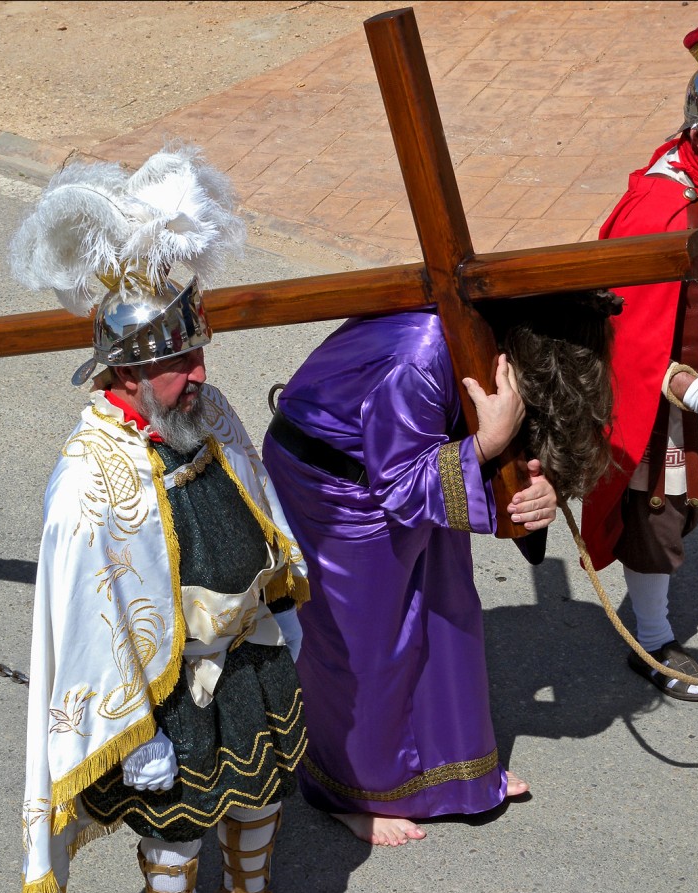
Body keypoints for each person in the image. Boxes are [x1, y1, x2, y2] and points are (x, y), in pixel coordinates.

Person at [11, 146, 338, 893]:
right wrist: (132, 727)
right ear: (121, 371)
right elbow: (86, 609)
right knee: (182, 812)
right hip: (164, 684)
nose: (197, 374)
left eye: (197, 352)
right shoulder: (89, 474)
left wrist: (279, 593)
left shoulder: (208, 409)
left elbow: (256, 495)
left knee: (262, 777)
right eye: (175, 363)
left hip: (248, 643)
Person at [261, 289, 619, 847]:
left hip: (415, 461)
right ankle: (348, 792)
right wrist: (487, 443)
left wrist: (536, 480)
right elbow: (402, 486)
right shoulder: (421, 353)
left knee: (446, 617)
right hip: (333, 486)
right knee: (364, 643)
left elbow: (520, 421)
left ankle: (453, 779)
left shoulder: (486, 339)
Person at [581, 22, 698, 703]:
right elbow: (622, 334)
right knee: (658, 514)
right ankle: (653, 639)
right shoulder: (660, 207)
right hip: (667, 399)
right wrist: (687, 387)